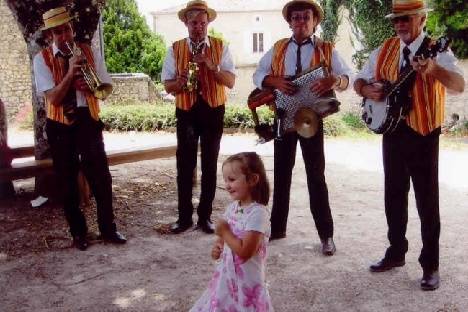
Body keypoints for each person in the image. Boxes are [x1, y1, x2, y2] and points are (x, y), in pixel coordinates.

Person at [353, 0, 465, 290]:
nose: (400, 24)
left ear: (422, 19)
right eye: (396, 19)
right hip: (392, 132)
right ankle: (396, 252)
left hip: (424, 133)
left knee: (427, 201)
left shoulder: (437, 49)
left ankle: (430, 265)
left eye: (406, 19)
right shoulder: (385, 48)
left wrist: (433, 70)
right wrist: (366, 89)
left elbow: (458, 85)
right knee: (393, 195)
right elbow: (358, 79)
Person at [252, 0, 352, 255]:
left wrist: (335, 79)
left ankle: (326, 235)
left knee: (316, 177)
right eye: (296, 17)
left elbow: (347, 78)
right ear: (289, 22)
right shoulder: (277, 48)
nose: (301, 22)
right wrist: (274, 80)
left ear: (315, 21)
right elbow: (258, 74)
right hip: (283, 119)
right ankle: (278, 229)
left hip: (312, 120)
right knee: (282, 175)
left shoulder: (327, 49)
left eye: (306, 17)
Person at [33, 6, 126, 250]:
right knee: (67, 181)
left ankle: (109, 229)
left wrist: (91, 86)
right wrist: (70, 73)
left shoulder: (89, 51)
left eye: (67, 29)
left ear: (72, 29)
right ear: (49, 36)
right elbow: (53, 97)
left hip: (87, 118)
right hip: (60, 124)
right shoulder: (41, 59)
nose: (65, 36)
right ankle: (79, 233)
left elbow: (105, 88)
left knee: (101, 178)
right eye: (58, 32)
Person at [161, 0, 236, 234]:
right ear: (186, 23)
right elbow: (167, 86)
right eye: (194, 23)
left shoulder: (221, 47)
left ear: (208, 23)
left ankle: (205, 218)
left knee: (210, 163)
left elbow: (231, 81)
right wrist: (179, 82)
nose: (198, 27)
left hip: (213, 109)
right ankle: (184, 218)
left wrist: (212, 67)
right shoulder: (175, 48)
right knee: (184, 165)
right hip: (186, 111)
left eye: (202, 23)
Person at [190, 152, 273, 311]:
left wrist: (225, 232)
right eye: (226, 180)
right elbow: (224, 238)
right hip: (227, 279)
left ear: (253, 179)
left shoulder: (258, 214)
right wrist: (219, 245)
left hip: (247, 284)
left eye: (232, 180)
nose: (227, 185)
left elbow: (245, 251)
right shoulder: (233, 208)